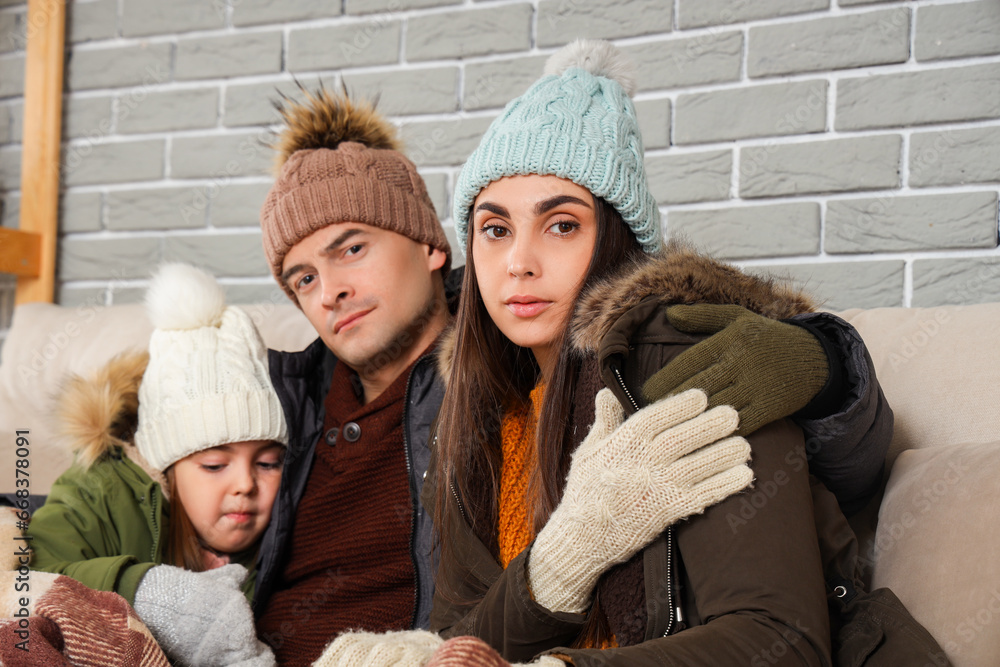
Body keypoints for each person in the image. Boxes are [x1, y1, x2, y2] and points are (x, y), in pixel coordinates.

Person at [309, 39, 943, 666]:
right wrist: (564, 559)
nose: (519, 264)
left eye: (562, 225)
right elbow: (468, 638)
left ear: (616, 237)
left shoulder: (684, 359)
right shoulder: (476, 412)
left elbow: (779, 642)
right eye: (495, 230)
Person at [29, 263, 285, 667]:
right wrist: (145, 590)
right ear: (166, 468)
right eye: (215, 465)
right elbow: (29, 579)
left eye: (268, 463)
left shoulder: (293, 520)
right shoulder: (100, 490)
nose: (245, 485)